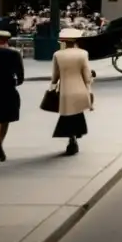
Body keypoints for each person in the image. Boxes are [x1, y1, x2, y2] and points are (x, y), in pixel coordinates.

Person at [51, 28, 93, 156]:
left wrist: (52, 86)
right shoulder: (83, 54)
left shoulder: (58, 55)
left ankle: (71, 139)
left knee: (67, 117)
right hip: (80, 89)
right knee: (77, 116)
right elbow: (87, 76)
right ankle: (74, 138)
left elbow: (55, 76)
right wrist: (90, 84)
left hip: (65, 91)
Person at [0, 30, 25, 161]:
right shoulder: (14, 54)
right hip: (7, 89)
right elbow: (20, 77)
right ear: (6, 40)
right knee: (5, 118)